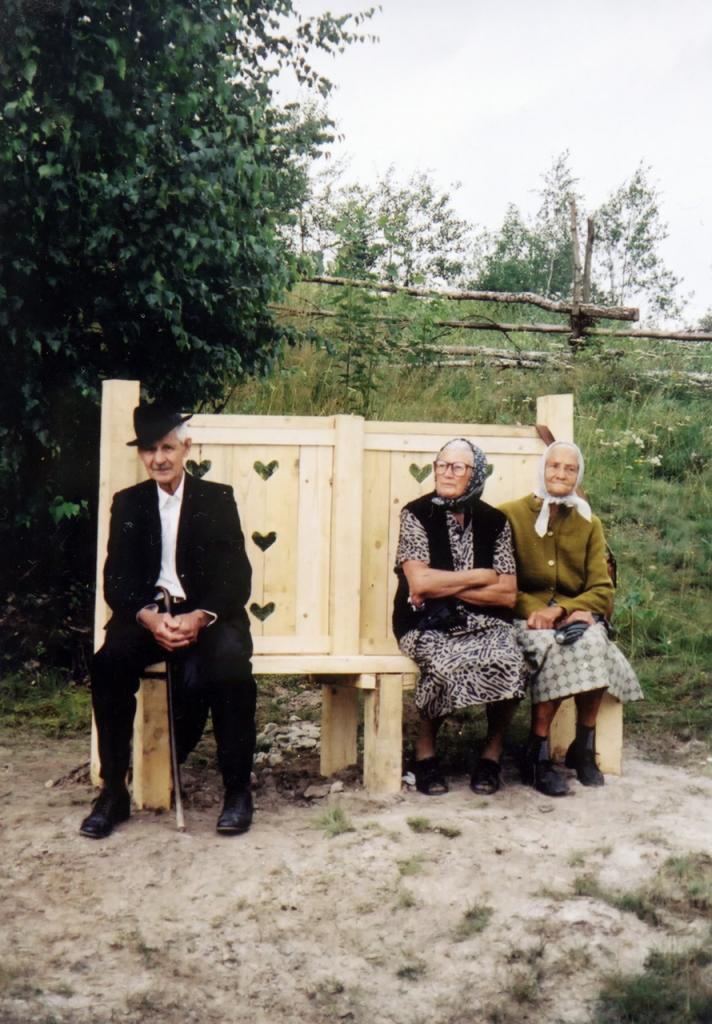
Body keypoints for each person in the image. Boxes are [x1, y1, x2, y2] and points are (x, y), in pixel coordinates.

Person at [80, 401, 256, 839]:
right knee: (108, 664)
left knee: (231, 664)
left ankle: (237, 790)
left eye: (167, 447)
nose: (158, 458)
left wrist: (198, 617)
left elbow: (236, 578)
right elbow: (115, 582)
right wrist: (148, 618)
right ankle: (113, 791)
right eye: (149, 449)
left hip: (204, 616)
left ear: (185, 448)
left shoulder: (217, 499)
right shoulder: (128, 503)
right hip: (149, 616)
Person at [501, 441, 643, 797]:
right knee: (552, 647)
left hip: (570, 616)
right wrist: (535, 610)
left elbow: (602, 588)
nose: (561, 474)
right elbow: (502, 582)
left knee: (593, 641)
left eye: (570, 469)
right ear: (542, 469)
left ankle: (583, 747)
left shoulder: (588, 522)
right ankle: (537, 752)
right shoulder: (511, 516)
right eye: (554, 466)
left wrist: (566, 609)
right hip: (526, 619)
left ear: (578, 475)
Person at [392, 439, 527, 796]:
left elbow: (507, 593)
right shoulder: (415, 514)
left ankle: (491, 755)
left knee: (511, 658)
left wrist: (444, 585)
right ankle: (425, 753)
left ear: (475, 474)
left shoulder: (495, 521)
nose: (446, 473)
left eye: (457, 467)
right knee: (444, 660)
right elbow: (419, 583)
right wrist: (482, 575)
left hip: (487, 622)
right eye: (441, 465)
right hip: (426, 621)